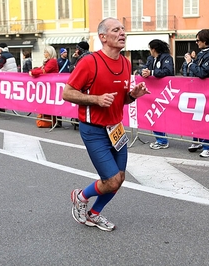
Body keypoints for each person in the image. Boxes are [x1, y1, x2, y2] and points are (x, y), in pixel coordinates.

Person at [63, 17, 150, 231]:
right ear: (103, 37)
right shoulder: (89, 62)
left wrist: (133, 95)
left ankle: (94, 214)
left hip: (116, 129)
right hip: (93, 130)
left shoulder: (126, 62)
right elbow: (67, 93)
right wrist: (96, 99)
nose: (122, 33)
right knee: (110, 180)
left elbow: (122, 99)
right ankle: (81, 197)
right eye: (116, 30)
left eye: (123, 29)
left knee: (119, 178)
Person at [184, 29, 209, 157]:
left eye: (198, 40)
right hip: (199, 91)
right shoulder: (203, 52)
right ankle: (197, 140)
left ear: (205, 41)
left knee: (206, 119)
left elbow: (202, 73)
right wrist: (192, 62)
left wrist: (190, 63)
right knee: (196, 117)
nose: (196, 42)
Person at [141, 39, 174, 150]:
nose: (149, 51)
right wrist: (143, 71)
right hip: (152, 91)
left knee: (162, 115)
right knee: (154, 115)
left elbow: (168, 71)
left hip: (165, 92)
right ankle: (160, 139)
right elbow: (146, 67)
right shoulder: (151, 58)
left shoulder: (166, 58)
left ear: (153, 49)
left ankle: (163, 141)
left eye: (150, 48)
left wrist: (152, 73)